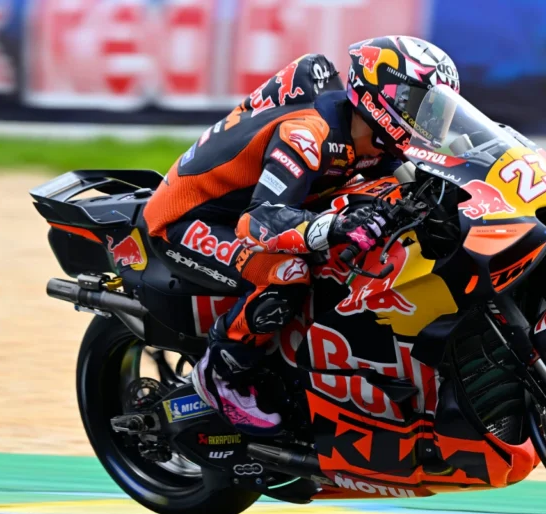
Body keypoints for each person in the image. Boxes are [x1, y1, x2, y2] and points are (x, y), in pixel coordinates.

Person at [142, 36, 461, 434]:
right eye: (419, 105)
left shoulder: (376, 141)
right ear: (381, 95)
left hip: (253, 211)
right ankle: (221, 372)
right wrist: (335, 226)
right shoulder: (308, 134)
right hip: (189, 219)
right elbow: (258, 222)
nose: (427, 121)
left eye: (437, 111)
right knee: (287, 273)